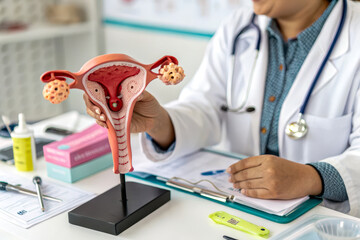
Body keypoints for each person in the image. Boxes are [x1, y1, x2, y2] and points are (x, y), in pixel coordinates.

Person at [84, 0, 360, 217]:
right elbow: (205, 107)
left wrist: (311, 177)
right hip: (237, 208)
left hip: (321, 219)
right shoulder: (238, 27)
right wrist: (159, 123)